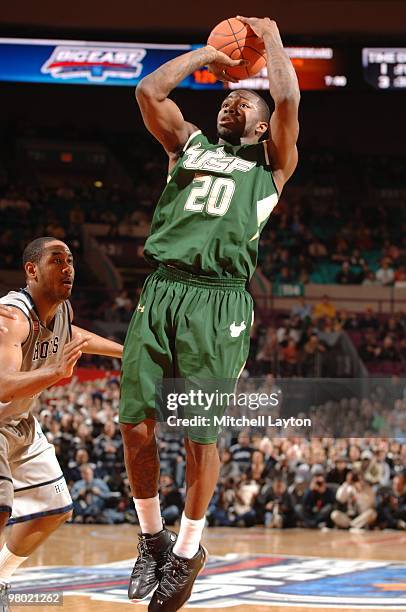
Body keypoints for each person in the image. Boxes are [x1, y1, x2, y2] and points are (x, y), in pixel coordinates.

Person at [119, 15, 300, 612]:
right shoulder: (187, 144)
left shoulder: (271, 167)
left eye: (246, 103)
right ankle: (152, 540)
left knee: (200, 435)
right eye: (228, 101)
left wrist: (269, 39)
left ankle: (189, 550)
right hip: (162, 288)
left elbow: (289, 94)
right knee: (135, 423)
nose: (233, 106)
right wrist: (207, 55)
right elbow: (149, 92)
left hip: (218, 301)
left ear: (265, 124)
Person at [0, 236, 123, 607]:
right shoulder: (12, 317)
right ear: (31, 270)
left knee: (54, 510)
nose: (68, 267)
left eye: (70, 260)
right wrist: (55, 371)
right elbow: (3, 384)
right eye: (57, 260)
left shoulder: (60, 311)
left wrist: (126, 352)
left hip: (19, 422)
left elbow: (73, 337)